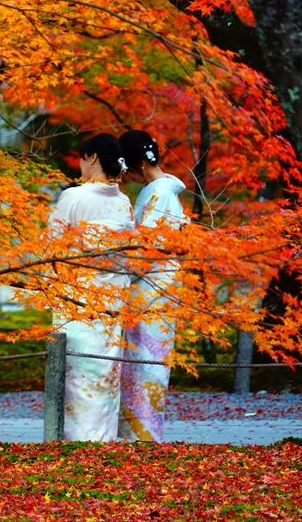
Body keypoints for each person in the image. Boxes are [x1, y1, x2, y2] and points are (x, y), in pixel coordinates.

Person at [48, 133, 135, 441]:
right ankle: (102, 437)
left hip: (76, 300)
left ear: (93, 157)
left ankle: (75, 440)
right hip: (112, 300)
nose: (81, 165)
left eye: (84, 158)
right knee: (105, 373)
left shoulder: (74, 197)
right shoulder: (123, 202)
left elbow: (53, 250)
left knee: (76, 374)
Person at [117, 129, 187, 442]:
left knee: (147, 363)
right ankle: (139, 433)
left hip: (152, 289)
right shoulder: (160, 192)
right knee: (142, 363)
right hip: (154, 286)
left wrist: (114, 272)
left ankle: (144, 436)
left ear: (140, 166)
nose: (127, 176)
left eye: (128, 170)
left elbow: (148, 252)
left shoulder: (160, 195)